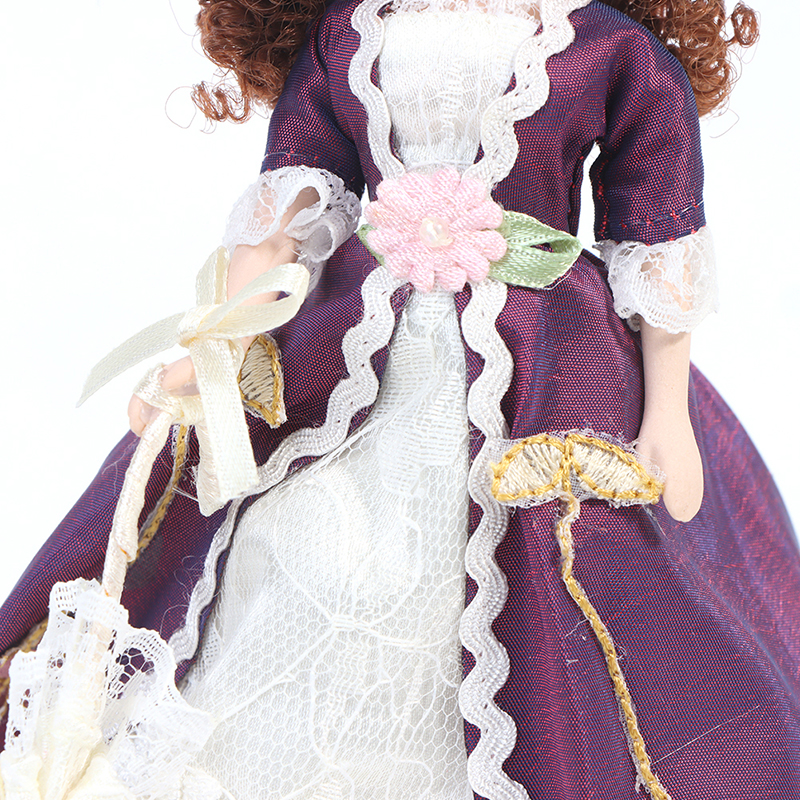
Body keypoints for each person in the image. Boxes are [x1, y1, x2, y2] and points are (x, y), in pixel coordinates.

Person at [1, 0, 798, 798]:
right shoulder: (350, 33)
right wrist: (218, 344)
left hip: (546, 354)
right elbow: (286, 211)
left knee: (545, 573)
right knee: (297, 543)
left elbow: (655, 239)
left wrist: (667, 413)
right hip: (351, 340)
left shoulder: (610, 49)